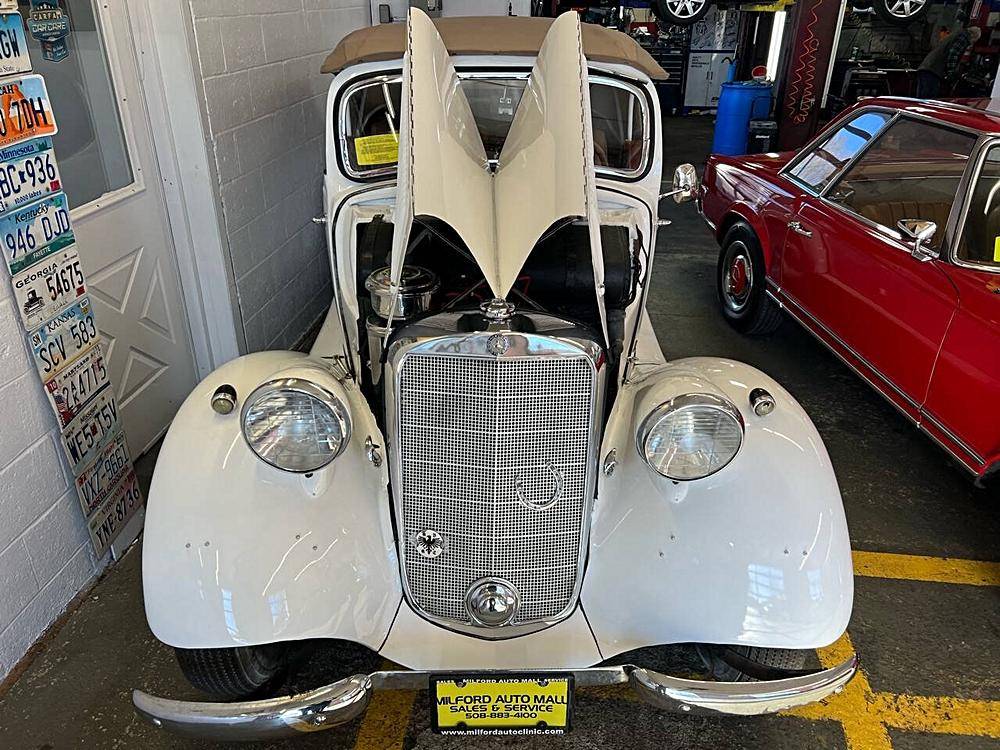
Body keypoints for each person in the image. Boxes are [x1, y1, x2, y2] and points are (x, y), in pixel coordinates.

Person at [917, 26, 982, 99]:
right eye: (974, 41)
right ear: (973, 36)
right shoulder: (963, 38)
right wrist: (951, 72)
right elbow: (953, 54)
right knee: (929, 97)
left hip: (927, 66)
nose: (971, 44)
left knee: (921, 98)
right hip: (934, 70)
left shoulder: (956, 34)